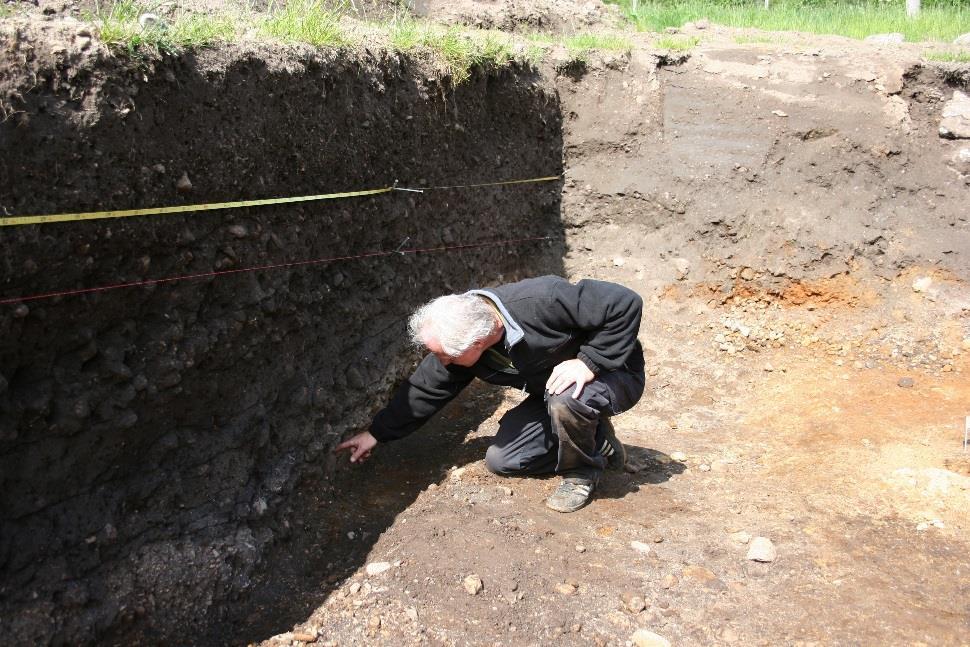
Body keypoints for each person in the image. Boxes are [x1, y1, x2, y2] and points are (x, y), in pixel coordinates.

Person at [334, 275, 645, 512]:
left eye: (447, 357)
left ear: (477, 343)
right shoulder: (464, 340)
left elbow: (624, 302)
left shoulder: (542, 300)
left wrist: (590, 362)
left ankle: (582, 472)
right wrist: (377, 433)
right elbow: (426, 388)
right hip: (553, 391)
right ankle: (598, 439)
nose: (443, 361)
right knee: (504, 459)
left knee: (569, 399)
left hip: (613, 374)